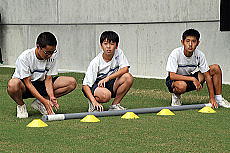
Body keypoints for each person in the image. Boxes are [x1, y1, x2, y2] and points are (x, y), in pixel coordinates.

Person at [7, 32, 77, 118]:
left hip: (41, 83)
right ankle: (21, 105)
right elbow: (28, 83)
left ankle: (39, 103)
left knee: (71, 82)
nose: (50, 55)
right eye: (47, 52)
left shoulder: (52, 55)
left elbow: (48, 79)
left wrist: (51, 97)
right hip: (24, 87)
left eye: (52, 52)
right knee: (12, 84)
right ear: (38, 47)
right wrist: (44, 101)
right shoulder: (25, 57)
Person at [166, 29, 230, 108]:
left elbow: (207, 75)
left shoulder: (200, 55)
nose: (190, 44)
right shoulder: (175, 54)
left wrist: (211, 98)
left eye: (193, 41)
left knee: (215, 68)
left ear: (198, 43)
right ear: (182, 42)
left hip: (189, 77)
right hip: (175, 80)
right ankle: (176, 97)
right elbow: (172, 76)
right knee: (181, 86)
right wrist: (193, 79)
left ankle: (219, 99)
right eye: (187, 41)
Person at [82, 31, 133, 112]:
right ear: (101, 46)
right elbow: (85, 86)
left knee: (128, 77)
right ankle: (93, 104)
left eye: (112, 44)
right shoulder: (95, 62)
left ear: (116, 45)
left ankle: (114, 105)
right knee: (106, 95)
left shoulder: (118, 52)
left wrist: (108, 78)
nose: (108, 47)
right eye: (105, 44)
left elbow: (125, 68)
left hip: (109, 83)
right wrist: (93, 101)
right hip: (95, 86)